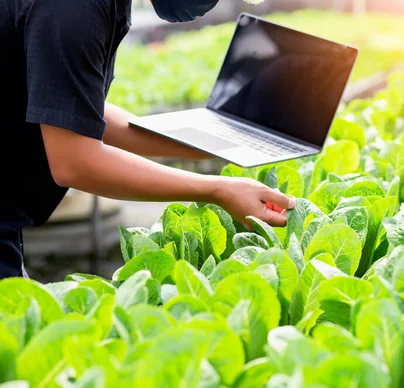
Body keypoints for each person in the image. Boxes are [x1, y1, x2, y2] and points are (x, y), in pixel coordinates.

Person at [0, 0, 295, 279]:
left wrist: (216, 142)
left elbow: (70, 109)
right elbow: (75, 162)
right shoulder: (76, 8)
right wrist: (218, 189)